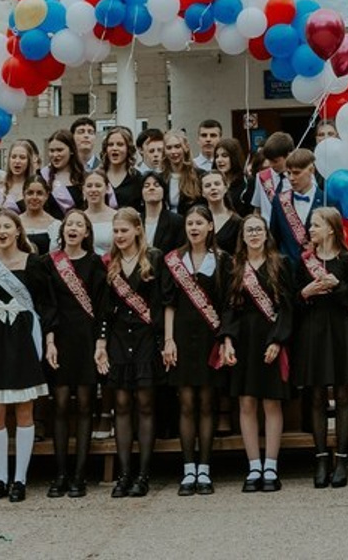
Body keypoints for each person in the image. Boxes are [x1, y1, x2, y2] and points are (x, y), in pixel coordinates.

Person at [0, 212, 53, 504]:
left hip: (23, 337)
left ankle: (20, 478)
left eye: (7, 226)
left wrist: (48, 338)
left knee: (23, 410)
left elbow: (45, 303)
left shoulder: (33, 263)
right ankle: (0, 478)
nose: (2, 231)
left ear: (18, 231)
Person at [220, 213, 293, 493]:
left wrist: (278, 340)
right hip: (243, 340)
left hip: (271, 337)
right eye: (249, 230)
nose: (253, 234)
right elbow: (228, 308)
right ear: (243, 235)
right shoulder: (235, 267)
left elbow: (287, 308)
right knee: (247, 403)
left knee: (271, 403)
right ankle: (253, 466)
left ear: (266, 234)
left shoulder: (280, 264)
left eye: (258, 229)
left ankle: (271, 465)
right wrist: (227, 340)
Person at [161, 205, 229, 495]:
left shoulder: (222, 260)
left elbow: (227, 304)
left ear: (210, 227)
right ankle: (188, 469)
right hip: (181, 337)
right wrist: (168, 339)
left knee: (207, 402)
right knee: (186, 402)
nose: (194, 227)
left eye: (200, 223)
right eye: (190, 223)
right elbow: (169, 303)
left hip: (210, 337)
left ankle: (205, 468)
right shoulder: (175, 260)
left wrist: (225, 339)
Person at [96, 207, 163, 498]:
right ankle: (124, 474)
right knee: (121, 405)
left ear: (138, 229)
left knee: (146, 404)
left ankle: (143, 474)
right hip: (119, 339)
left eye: (124, 230)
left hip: (147, 338)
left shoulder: (154, 258)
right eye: (116, 231)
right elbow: (103, 309)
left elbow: (161, 302)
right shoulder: (109, 263)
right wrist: (101, 343)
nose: (120, 236)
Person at [294, 206, 348, 488]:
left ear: (331, 229)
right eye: (311, 225)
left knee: (344, 395)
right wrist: (305, 293)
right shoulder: (304, 261)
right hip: (313, 331)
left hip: (341, 330)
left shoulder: (347, 260)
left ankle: (342, 458)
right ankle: (321, 457)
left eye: (316, 225)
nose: (311, 230)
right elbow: (293, 303)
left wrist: (337, 286)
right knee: (317, 395)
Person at [45, 209, 107, 498]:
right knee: (59, 405)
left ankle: (80, 474)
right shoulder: (50, 263)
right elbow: (48, 306)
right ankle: (59, 473)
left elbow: (101, 306)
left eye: (79, 225)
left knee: (84, 405)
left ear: (87, 232)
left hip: (86, 339)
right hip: (60, 338)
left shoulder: (95, 263)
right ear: (63, 230)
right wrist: (50, 340)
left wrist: (100, 342)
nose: (73, 228)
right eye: (69, 224)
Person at [268, 147, 324, 265]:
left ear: (311, 170)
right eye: (289, 173)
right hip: (287, 272)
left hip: (318, 271)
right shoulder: (279, 201)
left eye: (297, 173)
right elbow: (274, 239)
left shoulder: (327, 201)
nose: (292, 178)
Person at [42, 129, 86, 217]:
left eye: (59, 150)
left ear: (71, 150)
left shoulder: (84, 177)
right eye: (52, 151)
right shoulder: (43, 177)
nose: (55, 155)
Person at [138, 168, 184, 253]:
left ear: (164, 191)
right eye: (146, 186)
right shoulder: (136, 221)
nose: (151, 188)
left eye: (156, 185)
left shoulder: (177, 221)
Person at [250, 132, 295, 216]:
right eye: (269, 160)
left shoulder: (299, 177)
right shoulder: (261, 177)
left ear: (289, 155)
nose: (271, 165)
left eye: (275, 161)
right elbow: (257, 209)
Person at [0, 137, 40, 215]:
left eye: (22, 158)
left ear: (29, 161)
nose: (17, 161)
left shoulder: (37, 186)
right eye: (13, 157)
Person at [18, 176, 63, 254]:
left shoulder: (56, 225)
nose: (34, 197)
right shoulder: (15, 223)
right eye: (30, 193)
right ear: (23, 195)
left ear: (46, 196)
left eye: (39, 193)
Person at [162, 131, 204, 215]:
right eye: (169, 148)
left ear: (186, 148)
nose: (173, 152)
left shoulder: (199, 176)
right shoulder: (161, 178)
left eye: (177, 147)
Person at [201, 168, 242, 253]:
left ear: (225, 188)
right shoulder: (197, 219)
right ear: (202, 193)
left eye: (217, 184)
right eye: (208, 185)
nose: (213, 188)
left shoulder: (237, 222)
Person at [101, 126, 142, 211]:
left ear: (128, 148)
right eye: (110, 145)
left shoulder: (137, 178)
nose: (114, 148)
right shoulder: (98, 176)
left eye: (120, 144)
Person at [214, 136, 253, 216]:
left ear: (234, 157)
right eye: (217, 156)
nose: (219, 160)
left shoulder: (247, 182)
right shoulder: (213, 183)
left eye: (224, 156)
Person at [82, 169, 118, 254]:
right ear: (83, 189)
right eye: (89, 186)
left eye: (98, 186)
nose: (93, 190)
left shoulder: (117, 217)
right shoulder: (79, 219)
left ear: (107, 188)